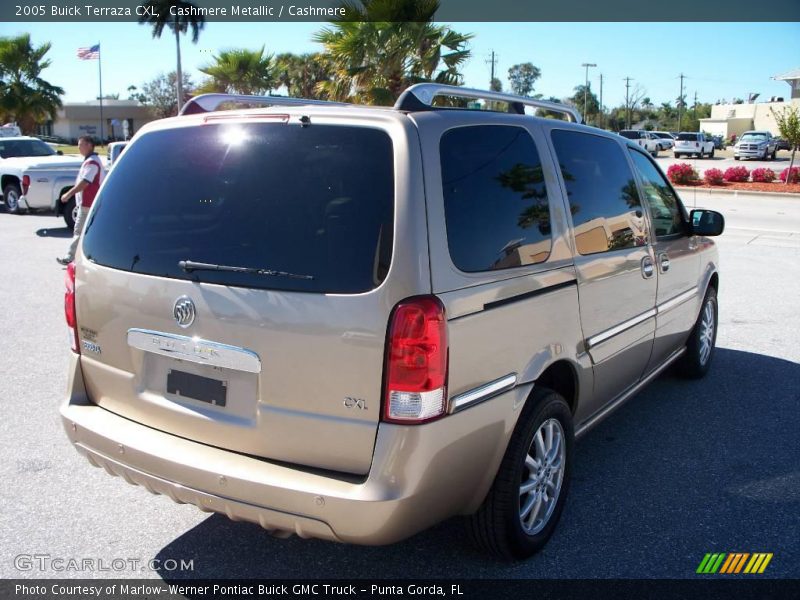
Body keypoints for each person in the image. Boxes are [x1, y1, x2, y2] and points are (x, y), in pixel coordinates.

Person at [56, 136, 105, 265]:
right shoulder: (91, 161)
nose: (79, 147)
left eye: (81, 144)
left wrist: (68, 194)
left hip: (88, 203)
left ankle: (70, 257)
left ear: (89, 145)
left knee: (79, 230)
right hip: (89, 203)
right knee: (89, 231)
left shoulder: (92, 163)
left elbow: (85, 182)